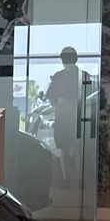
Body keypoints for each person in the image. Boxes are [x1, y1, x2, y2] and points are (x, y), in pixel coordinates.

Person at [48, 46, 82, 187]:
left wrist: (60, 104)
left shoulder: (60, 76)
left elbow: (51, 97)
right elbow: (51, 97)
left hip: (70, 117)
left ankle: (68, 178)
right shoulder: (77, 75)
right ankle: (71, 178)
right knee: (71, 147)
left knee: (71, 147)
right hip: (68, 117)